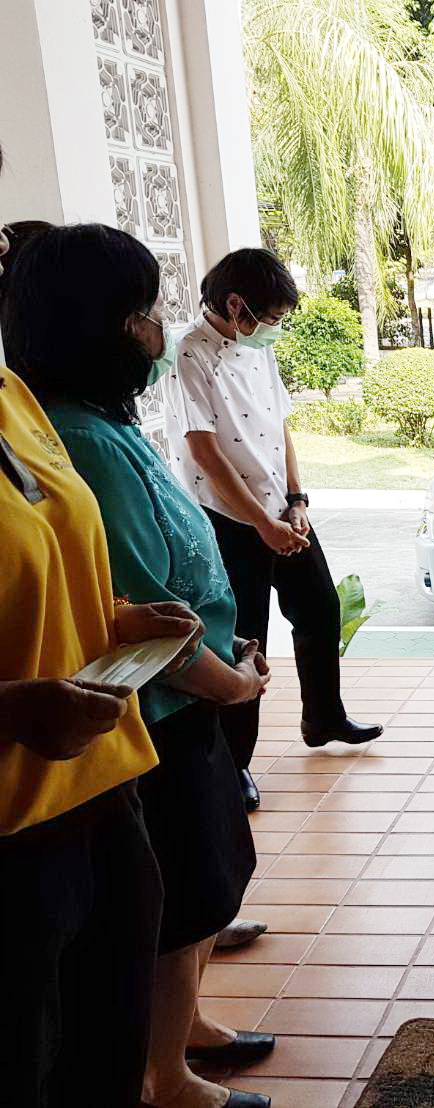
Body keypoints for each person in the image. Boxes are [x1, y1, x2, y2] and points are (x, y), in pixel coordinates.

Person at [5, 223, 274, 1108]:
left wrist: (128, 617)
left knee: (172, 904)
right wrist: (228, 681)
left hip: (111, 753)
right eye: (146, 314)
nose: (158, 332)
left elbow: (90, 577)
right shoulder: (74, 432)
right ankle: (169, 1072)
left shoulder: (30, 410)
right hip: (91, 744)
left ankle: (172, 1042)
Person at [0, 197, 175, 1108]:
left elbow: (46, 563)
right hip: (11, 823)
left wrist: (119, 618)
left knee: (106, 1053)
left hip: (100, 784)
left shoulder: (13, 398)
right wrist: (12, 708)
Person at [160, 248, 381, 813]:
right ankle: (236, 764)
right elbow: (204, 452)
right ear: (237, 305)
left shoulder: (259, 347)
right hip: (229, 519)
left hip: (280, 509)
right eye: (271, 317)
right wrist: (261, 524)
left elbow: (281, 428)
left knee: (320, 608)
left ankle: (323, 718)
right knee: (246, 639)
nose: (274, 329)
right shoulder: (189, 352)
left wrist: (296, 501)